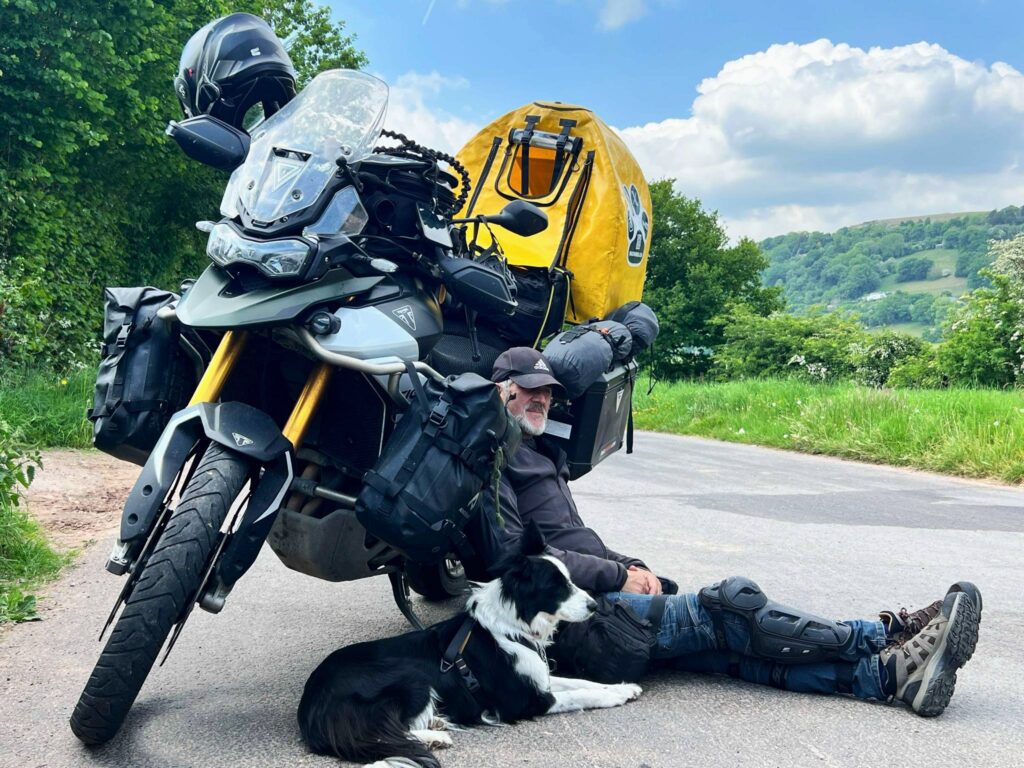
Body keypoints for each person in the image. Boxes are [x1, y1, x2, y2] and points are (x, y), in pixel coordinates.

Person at [464, 346, 983, 717]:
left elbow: (574, 539)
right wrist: (616, 575)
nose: (541, 401)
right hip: (579, 629)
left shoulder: (539, 455)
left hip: (603, 607)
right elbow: (520, 560)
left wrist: (630, 565)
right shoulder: (493, 460)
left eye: (547, 394)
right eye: (528, 392)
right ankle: (882, 634)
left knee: (730, 653)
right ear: (501, 390)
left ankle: (888, 677)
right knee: (731, 605)